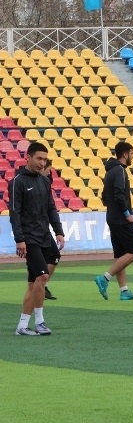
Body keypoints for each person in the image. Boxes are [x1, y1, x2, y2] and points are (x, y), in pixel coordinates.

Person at [10, 142, 65, 336]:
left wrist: (58, 231)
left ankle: (22, 326)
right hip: (29, 237)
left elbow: (51, 208)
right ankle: (40, 322)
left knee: (35, 282)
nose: (42, 163)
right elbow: (15, 213)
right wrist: (20, 239)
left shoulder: (44, 180)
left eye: (44, 159)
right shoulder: (18, 181)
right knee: (42, 277)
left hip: (44, 235)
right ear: (29, 157)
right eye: (39, 158)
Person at [94, 141, 133, 301]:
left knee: (120, 254)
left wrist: (112, 208)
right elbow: (119, 194)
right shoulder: (120, 171)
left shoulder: (110, 171)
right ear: (125, 154)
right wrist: (127, 214)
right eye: (131, 153)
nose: (132, 157)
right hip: (121, 219)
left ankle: (124, 290)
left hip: (112, 217)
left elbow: (104, 196)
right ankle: (105, 278)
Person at [41, 159, 59, 300]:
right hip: (34, 229)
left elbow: (51, 208)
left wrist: (59, 231)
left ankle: (42, 286)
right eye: (48, 170)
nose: (49, 173)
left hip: (43, 227)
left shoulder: (46, 183)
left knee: (54, 256)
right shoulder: (24, 181)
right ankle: (40, 287)